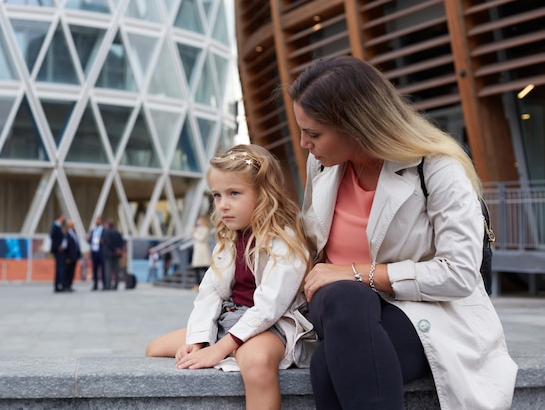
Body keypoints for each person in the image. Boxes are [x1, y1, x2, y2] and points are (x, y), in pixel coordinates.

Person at [287, 55, 517, 410]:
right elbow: (312, 243)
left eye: (313, 133)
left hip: (425, 310)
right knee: (345, 299)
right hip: (335, 307)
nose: (304, 143)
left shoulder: (437, 167)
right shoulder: (321, 165)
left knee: (328, 363)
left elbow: (458, 273)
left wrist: (355, 273)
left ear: (355, 125)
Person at [145, 144, 316, 410]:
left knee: (257, 366)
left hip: (269, 327)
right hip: (230, 317)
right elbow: (210, 292)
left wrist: (221, 347)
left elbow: (269, 308)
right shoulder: (229, 238)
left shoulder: (286, 241)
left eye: (234, 193)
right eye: (217, 195)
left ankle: (235, 351)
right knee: (154, 349)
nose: (223, 205)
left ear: (263, 194)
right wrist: (198, 341)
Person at [190, 215, 211, 290]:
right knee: (197, 268)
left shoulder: (205, 229)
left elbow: (201, 238)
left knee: (204, 268)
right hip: (198, 252)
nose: (198, 222)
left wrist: (195, 232)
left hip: (202, 252)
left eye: (199, 220)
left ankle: (205, 284)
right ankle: (197, 284)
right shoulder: (199, 229)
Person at [102, 219, 123, 290]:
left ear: (108, 225)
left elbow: (108, 243)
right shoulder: (117, 232)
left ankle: (108, 285)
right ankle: (116, 285)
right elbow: (121, 242)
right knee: (116, 270)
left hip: (109, 254)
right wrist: (118, 249)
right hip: (116, 254)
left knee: (108, 270)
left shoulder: (106, 233)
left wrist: (114, 249)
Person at [49, 213, 67, 292]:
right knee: (60, 269)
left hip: (61, 250)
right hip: (58, 250)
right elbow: (53, 236)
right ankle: (58, 286)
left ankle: (59, 285)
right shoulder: (55, 226)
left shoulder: (60, 226)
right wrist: (58, 246)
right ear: (59, 217)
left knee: (60, 269)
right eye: (63, 217)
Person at [87, 215, 105, 290]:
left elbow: (106, 240)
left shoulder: (104, 230)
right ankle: (95, 284)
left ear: (101, 221)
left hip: (101, 252)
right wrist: (88, 240)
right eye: (96, 220)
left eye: (98, 220)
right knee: (95, 269)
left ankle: (104, 284)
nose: (97, 222)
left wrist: (103, 241)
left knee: (103, 269)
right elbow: (90, 240)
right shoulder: (93, 231)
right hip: (94, 252)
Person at [64, 219, 81, 292]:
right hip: (69, 257)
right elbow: (65, 246)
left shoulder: (74, 233)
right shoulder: (66, 234)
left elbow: (76, 244)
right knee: (68, 271)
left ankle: (70, 285)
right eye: (72, 224)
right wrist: (67, 257)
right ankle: (66, 285)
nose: (74, 226)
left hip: (74, 256)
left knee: (72, 272)